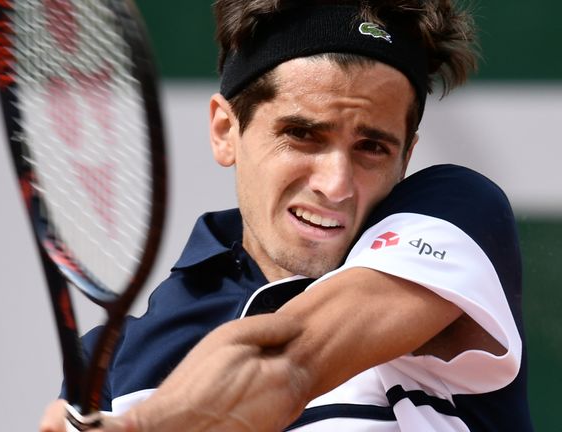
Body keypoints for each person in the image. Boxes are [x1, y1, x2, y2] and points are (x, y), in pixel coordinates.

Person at [41, 0, 533, 430]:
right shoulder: (111, 369)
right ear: (224, 130)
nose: (336, 184)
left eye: (372, 148)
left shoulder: (458, 213)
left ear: (407, 157)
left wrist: (144, 427)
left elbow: (289, 362)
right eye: (303, 135)